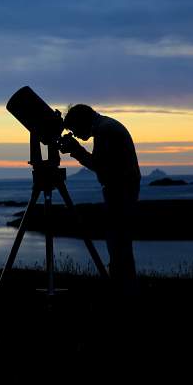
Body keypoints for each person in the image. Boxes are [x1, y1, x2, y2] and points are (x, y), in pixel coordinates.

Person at [59, 104, 140, 294]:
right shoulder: (107, 126)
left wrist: (76, 150)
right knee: (120, 245)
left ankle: (123, 291)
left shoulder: (105, 131)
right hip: (122, 190)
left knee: (118, 245)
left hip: (120, 192)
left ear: (82, 121)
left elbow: (99, 165)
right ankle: (124, 288)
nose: (76, 135)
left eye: (75, 130)